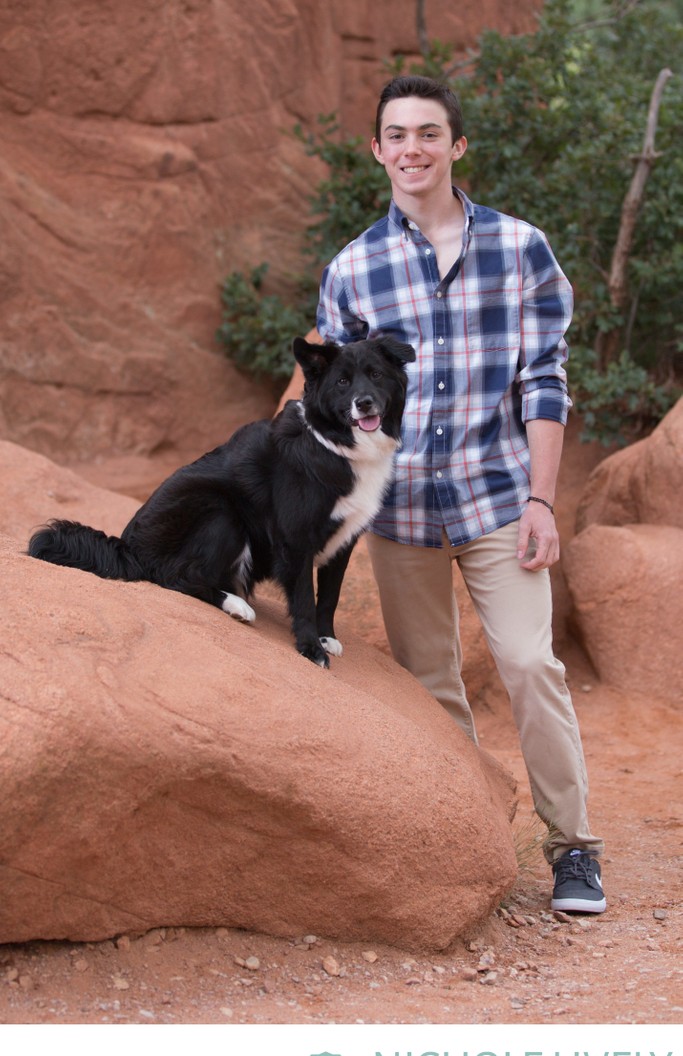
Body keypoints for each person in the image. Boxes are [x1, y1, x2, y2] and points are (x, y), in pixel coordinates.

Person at [316, 74, 606, 914]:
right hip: (398, 508)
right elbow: (337, 398)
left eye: (429, 133)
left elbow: (543, 383)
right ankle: (472, 836)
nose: (412, 148)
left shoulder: (520, 250)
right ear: (377, 150)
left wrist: (543, 501)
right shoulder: (353, 270)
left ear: (456, 146)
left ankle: (573, 847)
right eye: (396, 135)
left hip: (497, 497)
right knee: (429, 679)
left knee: (527, 661)